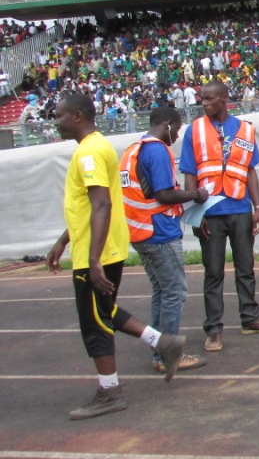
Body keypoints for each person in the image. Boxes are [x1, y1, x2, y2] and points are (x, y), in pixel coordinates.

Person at [46, 94, 186, 420]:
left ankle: (110, 392)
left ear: (77, 116)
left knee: (95, 323)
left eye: (59, 116)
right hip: (99, 247)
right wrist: (63, 240)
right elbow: (89, 206)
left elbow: (102, 205)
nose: (55, 122)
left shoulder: (90, 152)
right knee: (105, 310)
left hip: (98, 251)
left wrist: (94, 260)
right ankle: (164, 343)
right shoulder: (95, 147)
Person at [180, 81, 259, 353]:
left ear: (225, 98)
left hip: (240, 210)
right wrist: (194, 214)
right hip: (210, 213)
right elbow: (190, 174)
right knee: (213, 272)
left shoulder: (245, 129)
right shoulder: (194, 130)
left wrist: (258, 208)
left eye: (209, 98)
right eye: (202, 99)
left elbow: (250, 171)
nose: (203, 103)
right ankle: (214, 329)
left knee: (245, 268)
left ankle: (250, 318)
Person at [119, 106, 209, 374]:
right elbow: (164, 194)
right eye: (177, 129)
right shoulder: (157, 151)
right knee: (174, 292)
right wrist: (196, 195)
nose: (177, 136)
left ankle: (160, 352)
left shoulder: (133, 150)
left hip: (140, 232)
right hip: (159, 233)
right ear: (167, 124)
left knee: (161, 291)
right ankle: (170, 355)